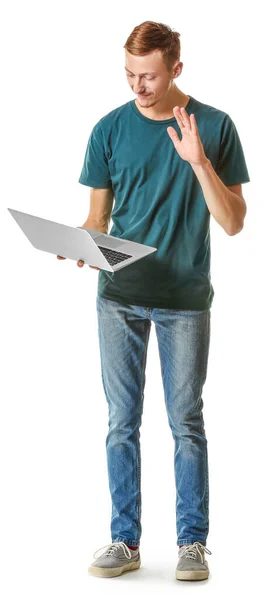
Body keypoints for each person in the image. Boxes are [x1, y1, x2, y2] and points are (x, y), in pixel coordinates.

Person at [58, 20, 250, 580]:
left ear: (176, 70)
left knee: (185, 420)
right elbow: (97, 219)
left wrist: (198, 161)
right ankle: (125, 539)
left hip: (184, 298)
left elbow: (234, 223)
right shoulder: (108, 129)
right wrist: (80, 244)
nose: (137, 86)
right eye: (129, 74)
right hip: (118, 297)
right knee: (121, 421)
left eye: (148, 76)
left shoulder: (214, 127)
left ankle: (193, 543)